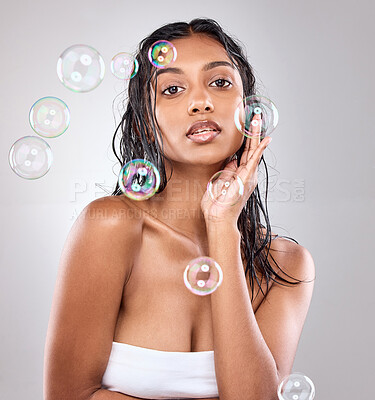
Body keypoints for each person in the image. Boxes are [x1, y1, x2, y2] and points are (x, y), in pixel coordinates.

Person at [44, 18, 315, 400]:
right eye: (172, 89)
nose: (200, 101)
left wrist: (222, 226)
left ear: (252, 113)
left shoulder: (287, 265)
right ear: (143, 126)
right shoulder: (110, 226)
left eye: (220, 83)